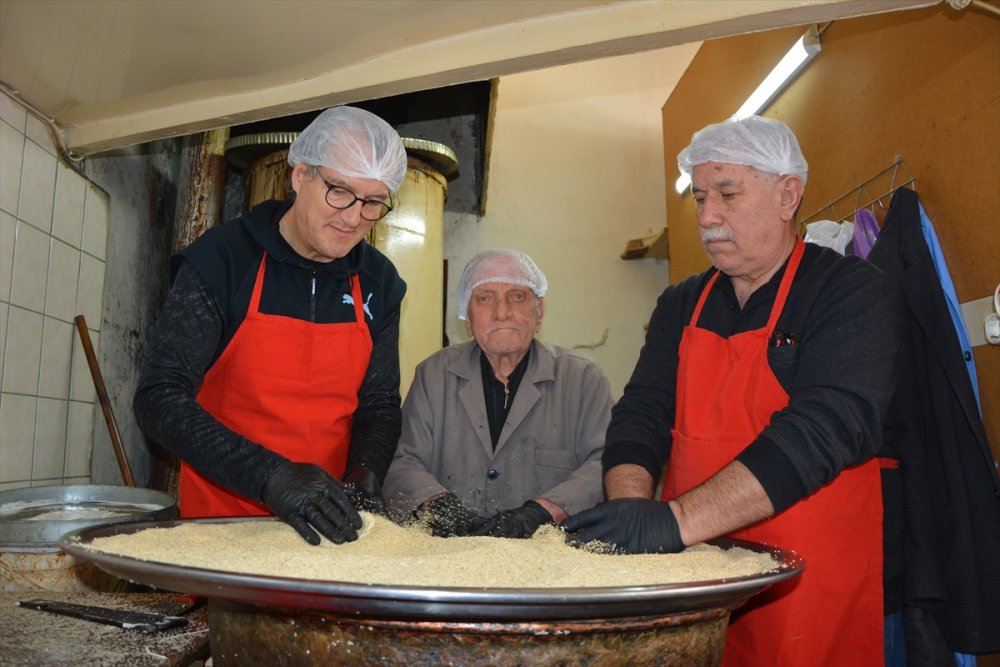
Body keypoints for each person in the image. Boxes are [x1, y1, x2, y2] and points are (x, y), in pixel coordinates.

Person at [562, 116, 902, 666]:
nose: (707, 217)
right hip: (698, 578)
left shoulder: (850, 292)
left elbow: (825, 427)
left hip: (806, 582)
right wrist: (631, 508)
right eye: (700, 198)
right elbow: (642, 411)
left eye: (727, 194)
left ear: (787, 195)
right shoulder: (681, 303)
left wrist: (673, 522)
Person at [133, 106, 408, 546]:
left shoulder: (380, 282)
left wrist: (364, 472)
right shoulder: (224, 260)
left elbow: (378, 404)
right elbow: (159, 398)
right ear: (300, 175)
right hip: (221, 527)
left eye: (372, 201)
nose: (353, 217)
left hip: (326, 528)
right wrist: (271, 477)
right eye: (340, 191)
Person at [381, 249, 612, 539]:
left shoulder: (582, 379)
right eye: (485, 298)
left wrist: (543, 511)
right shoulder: (434, 375)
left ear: (539, 312)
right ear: (467, 318)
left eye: (517, 296)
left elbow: (606, 462)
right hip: (449, 550)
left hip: (551, 551)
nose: (502, 313)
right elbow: (402, 461)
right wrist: (437, 506)